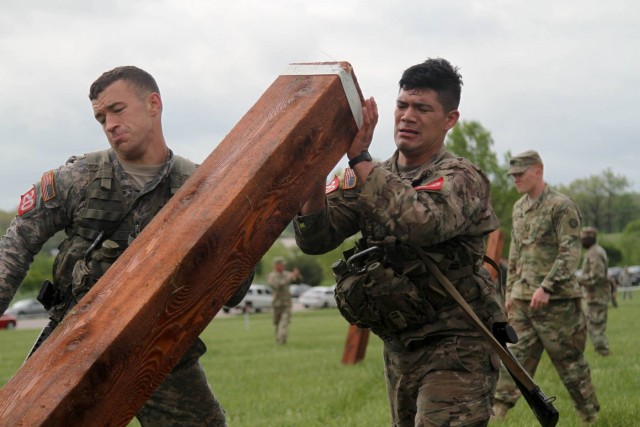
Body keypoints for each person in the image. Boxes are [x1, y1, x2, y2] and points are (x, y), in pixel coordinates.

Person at [0, 66, 251, 426]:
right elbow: (15, 246)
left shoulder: (198, 188)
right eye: (101, 117)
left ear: (153, 104)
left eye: (117, 110)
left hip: (158, 346)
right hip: (74, 344)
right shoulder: (79, 177)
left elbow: (234, 290)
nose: (109, 124)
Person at [295, 58, 506, 426]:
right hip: (399, 345)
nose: (407, 116)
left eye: (423, 108)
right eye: (402, 105)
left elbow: (419, 222)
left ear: (450, 119)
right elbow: (315, 238)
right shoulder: (370, 174)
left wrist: (359, 158)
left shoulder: (461, 178)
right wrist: (314, 175)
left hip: (457, 345)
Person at [492, 150, 600, 423]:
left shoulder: (561, 206)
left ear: (537, 170)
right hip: (523, 302)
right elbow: (515, 254)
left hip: (558, 304)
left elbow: (570, 252)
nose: (515, 179)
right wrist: (511, 292)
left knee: (571, 365)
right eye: (512, 175)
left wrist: (548, 287)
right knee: (512, 362)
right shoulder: (519, 208)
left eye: (520, 174)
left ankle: (590, 416)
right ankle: (496, 414)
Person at [577, 226, 611, 356]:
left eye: (583, 239)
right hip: (595, 295)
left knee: (595, 327)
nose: (581, 242)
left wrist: (579, 279)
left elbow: (597, 275)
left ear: (589, 239)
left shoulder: (594, 253)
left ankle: (604, 352)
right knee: (591, 325)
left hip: (596, 296)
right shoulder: (595, 251)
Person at [267, 256, 301, 344]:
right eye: (281, 265)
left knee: (285, 321)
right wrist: (289, 278)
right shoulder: (272, 276)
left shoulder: (287, 274)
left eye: (283, 265)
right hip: (277, 303)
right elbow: (276, 285)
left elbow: (297, 279)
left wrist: (296, 275)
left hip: (286, 303)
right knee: (277, 322)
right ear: (276, 265)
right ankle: (279, 338)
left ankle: (282, 339)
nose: (283, 266)